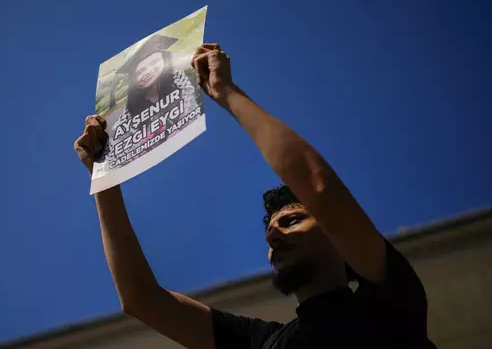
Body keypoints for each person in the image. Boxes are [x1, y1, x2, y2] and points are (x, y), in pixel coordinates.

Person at [74, 43, 437, 349]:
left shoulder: (389, 300)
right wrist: (105, 176)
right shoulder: (262, 343)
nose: (273, 235)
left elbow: (319, 187)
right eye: (271, 231)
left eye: (292, 220)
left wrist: (226, 92)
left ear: (337, 238)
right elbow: (142, 300)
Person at [100, 34, 199, 167]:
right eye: (140, 71)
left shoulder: (178, 81)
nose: (148, 72)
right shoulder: (127, 117)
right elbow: (114, 158)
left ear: (164, 59)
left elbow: (192, 114)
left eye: (154, 62)